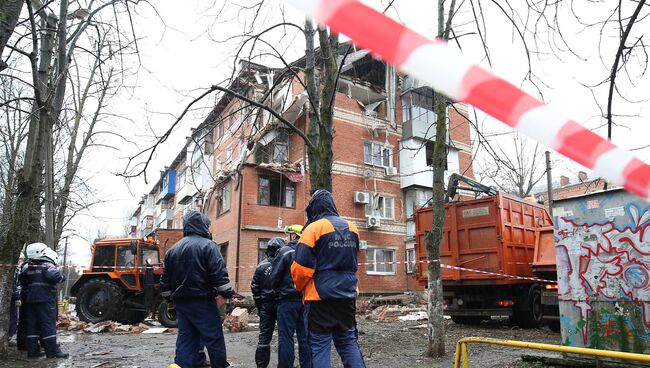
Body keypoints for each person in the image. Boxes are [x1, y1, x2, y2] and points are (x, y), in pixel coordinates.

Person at [291, 190, 365, 368]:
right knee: (348, 341)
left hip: (320, 298)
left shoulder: (313, 229)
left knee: (320, 345)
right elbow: (354, 261)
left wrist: (300, 287)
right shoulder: (352, 228)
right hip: (347, 296)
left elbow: (301, 269)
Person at [161, 211, 234, 368]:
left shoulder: (172, 251)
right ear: (202, 225)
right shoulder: (209, 246)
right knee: (213, 338)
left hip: (182, 303)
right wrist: (228, 294)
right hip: (203, 302)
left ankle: (182, 365)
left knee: (186, 338)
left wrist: (169, 300)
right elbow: (219, 274)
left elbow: (165, 282)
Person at [270, 225, 311, 368]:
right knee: (305, 337)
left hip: (287, 300)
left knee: (286, 337)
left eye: (288, 235)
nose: (287, 238)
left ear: (294, 235)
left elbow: (274, 277)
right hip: (305, 300)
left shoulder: (285, 251)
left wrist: (276, 291)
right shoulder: (308, 251)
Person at [19, 242, 68, 359]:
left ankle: (32, 351)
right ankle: (52, 352)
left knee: (32, 326)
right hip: (45, 300)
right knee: (48, 325)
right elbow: (54, 276)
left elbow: (22, 278)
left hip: (31, 300)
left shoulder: (28, 266)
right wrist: (62, 276)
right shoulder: (47, 265)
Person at [251, 237, 283, 368]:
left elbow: (255, 288)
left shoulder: (261, 266)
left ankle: (261, 365)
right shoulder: (285, 264)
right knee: (284, 336)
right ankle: (284, 364)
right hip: (282, 304)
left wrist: (259, 306)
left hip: (266, 305)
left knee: (264, 337)